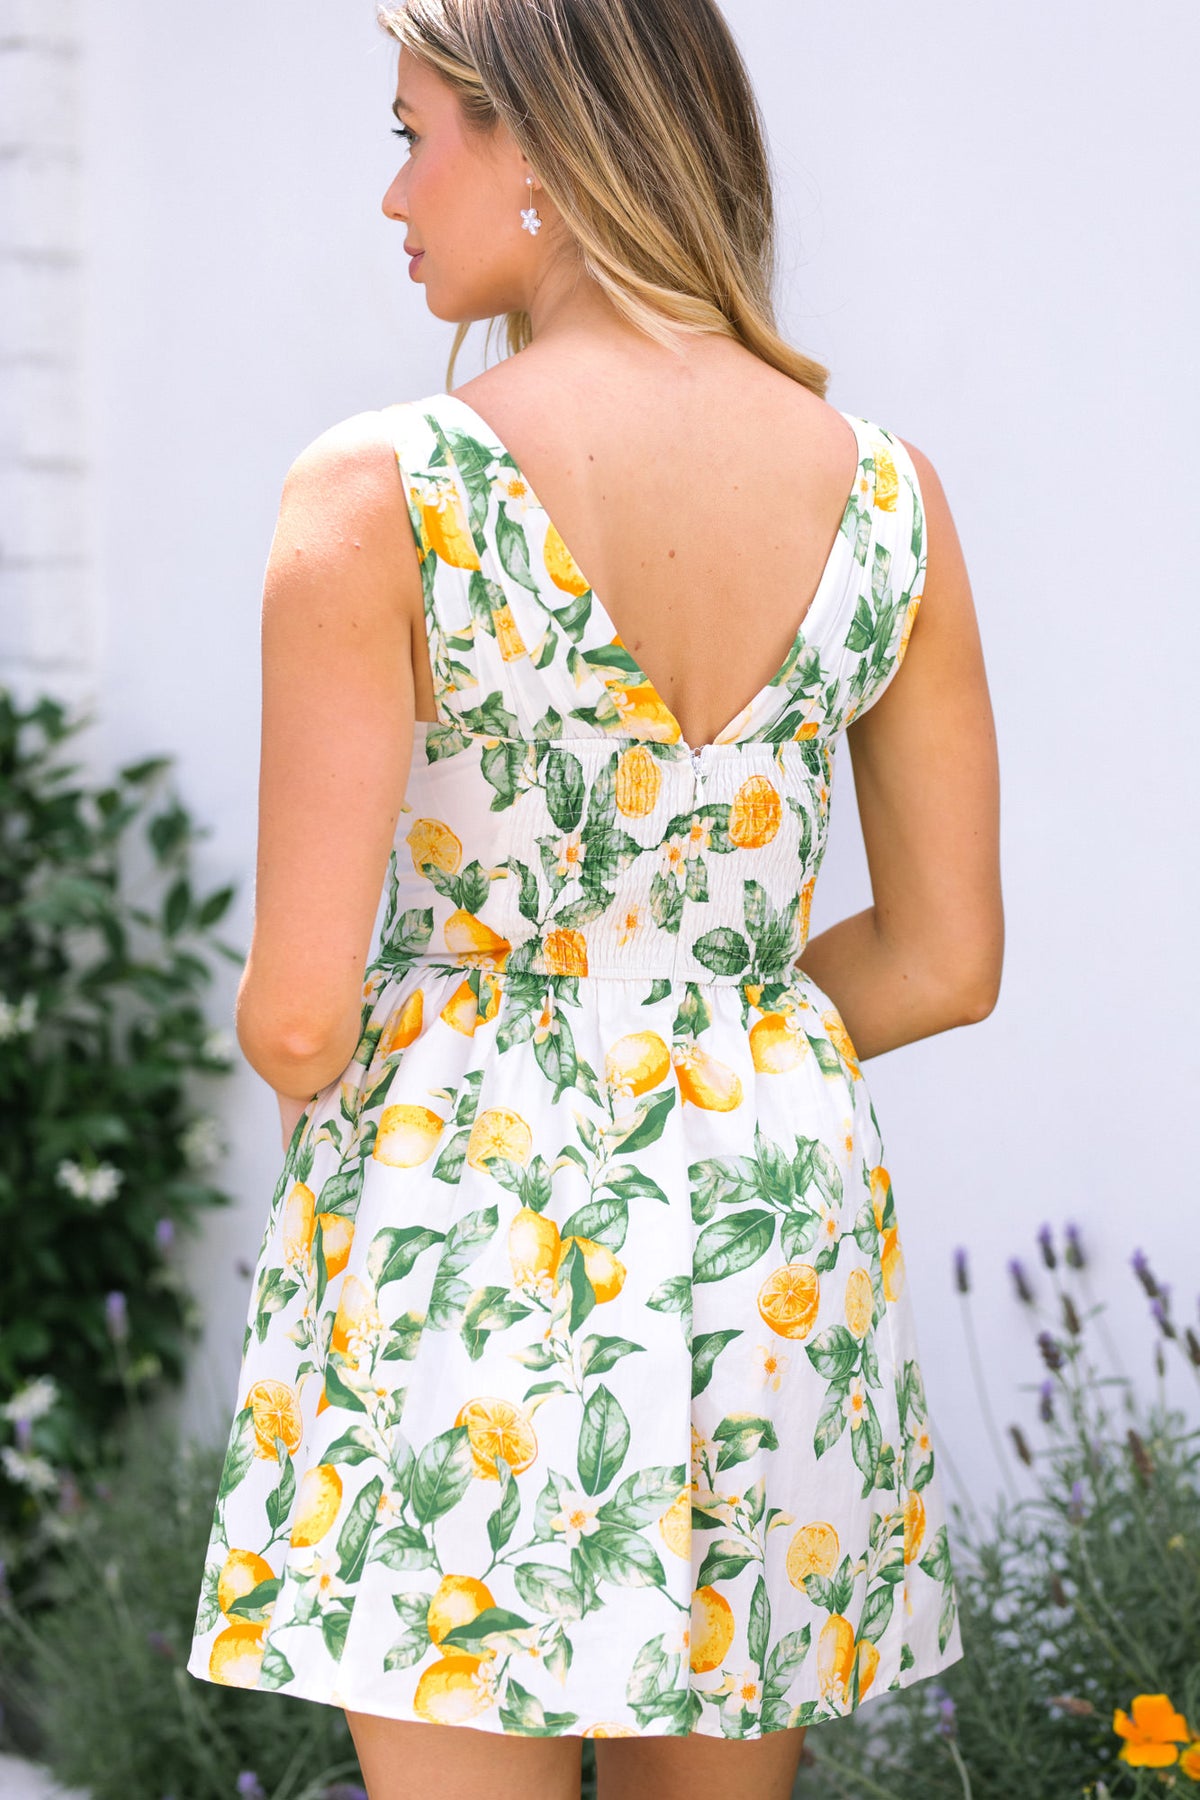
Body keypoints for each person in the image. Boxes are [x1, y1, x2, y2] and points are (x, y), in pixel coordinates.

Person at [185, 1, 1003, 1795]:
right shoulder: (892, 498)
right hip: (770, 1228)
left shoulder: (383, 491)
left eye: (413, 134)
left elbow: (301, 1019)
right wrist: (702, 1037)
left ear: (544, 145)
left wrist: (481, 1044)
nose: (393, 193)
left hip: (466, 1225)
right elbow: (947, 959)